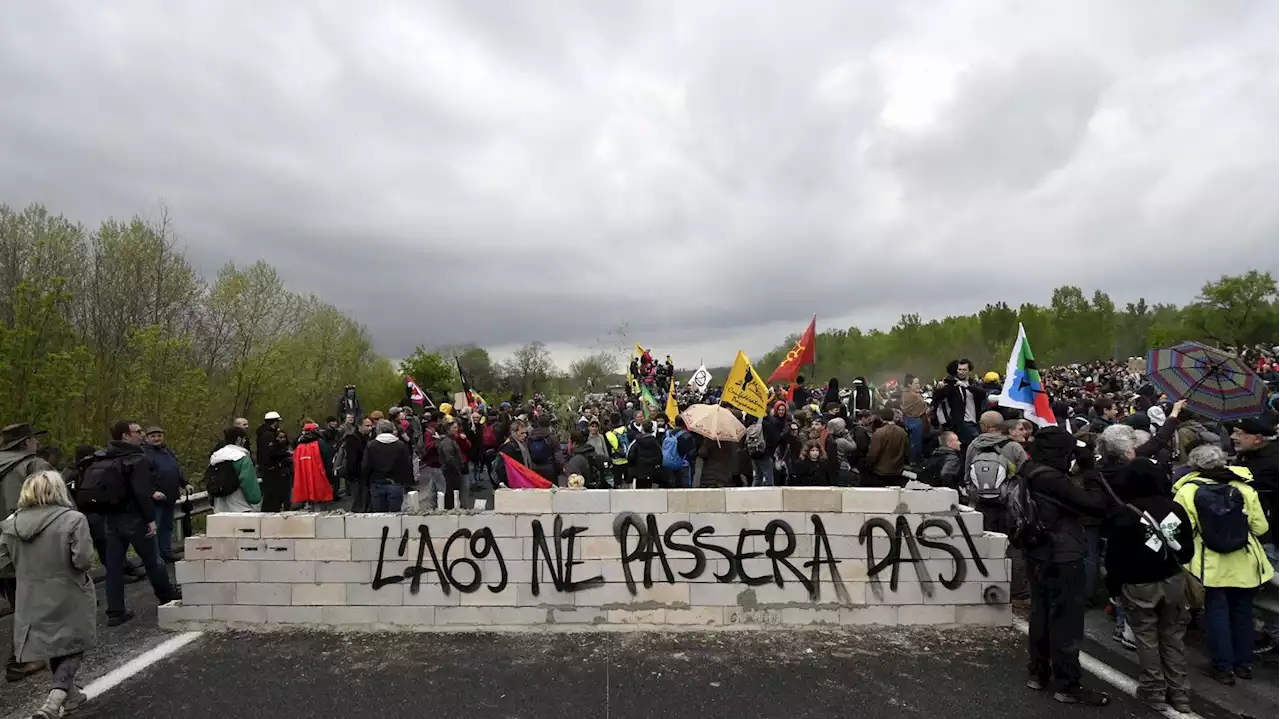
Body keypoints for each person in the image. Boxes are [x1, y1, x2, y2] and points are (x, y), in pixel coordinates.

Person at [1021, 426, 1111, 705]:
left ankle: (1038, 673)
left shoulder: (1029, 469)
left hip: (1036, 550)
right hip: (1062, 554)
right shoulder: (1053, 479)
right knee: (1066, 621)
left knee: (1041, 613)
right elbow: (1095, 505)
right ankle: (1068, 685)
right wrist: (1090, 469)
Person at [1172, 444, 1274, 684]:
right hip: (1246, 561)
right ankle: (1244, 664)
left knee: (1216, 614)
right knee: (1243, 613)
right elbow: (1261, 528)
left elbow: (1182, 529)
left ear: (1194, 465)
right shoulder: (1244, 487)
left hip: (1209, 564)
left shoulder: (1187, 491)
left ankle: (1223, 667)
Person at [1101, 453, 1194, 713]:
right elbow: (1186, 550)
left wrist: (1113, 589)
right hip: (1172, 579)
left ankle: (1154, 691)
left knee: (1147, 638)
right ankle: (1180, 693)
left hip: (1138, 582)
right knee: (1173, 636)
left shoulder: (1124, 513)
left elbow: (1114, 557)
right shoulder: (1174, 508)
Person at [0, 471, 95, 718]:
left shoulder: (11, 524)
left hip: (30, 593)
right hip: (68, 590)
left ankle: (72, 697)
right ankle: (54, 701)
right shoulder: (73, 519)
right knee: (74, 645)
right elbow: (83, 560)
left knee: (54, 645)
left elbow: (3, 563)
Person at [82, 420, 179, 627]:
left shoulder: (102, 456)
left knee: (114, 568)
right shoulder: (136, 458)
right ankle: (166, 596)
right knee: (153, 560)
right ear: (125, 436)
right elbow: (142, 492)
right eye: (137, 432)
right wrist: (150, 519)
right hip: (134, 518)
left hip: (110, 519)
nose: (141, 434)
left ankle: (115, 612)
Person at [0, 423, 55, 682]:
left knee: (18, 600)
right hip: (27, 544)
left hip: (2, 548)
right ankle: (22, 659)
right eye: (33, 438)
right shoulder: (34, 467)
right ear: (24, 443)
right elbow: (55, 507)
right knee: (33, 601)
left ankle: (26, 654)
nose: (36, 443)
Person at [142, 427, 186, 562]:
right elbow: (142, 477)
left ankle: (166, 552)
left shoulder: (168, 451)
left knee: (167, 526)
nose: (156, 438)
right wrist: (152, 491)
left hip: (170, 495)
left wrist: (185, 483)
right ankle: (154, 557)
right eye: (153, 436)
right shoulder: (144, 454)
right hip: (155, 499)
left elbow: (175, 469)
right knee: (155, 529)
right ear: (147, 438)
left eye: (159, 435)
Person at [933, 358, 987, 448]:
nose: (961, 372)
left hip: (976, 420)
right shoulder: (951, 383)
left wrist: (967, 387)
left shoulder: (974, 383)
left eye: (964, 370)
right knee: (977, 442)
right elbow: (937, 399)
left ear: (969, 371)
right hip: (961, 421)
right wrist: (939, 389)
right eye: (959, 370)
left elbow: (983, 394)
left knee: (969, 446)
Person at [362, 419, 413, 512]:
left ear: (378, 430)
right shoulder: (400, 445)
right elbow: (406, 465)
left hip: (376, 483)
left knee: (379, 515)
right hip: (395, 482)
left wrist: (365, 482)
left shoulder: (371, 445)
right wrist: (407, 482)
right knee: (394, 515)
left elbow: (366, 466)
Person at [209, 427, 261, 513]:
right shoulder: (242, 458)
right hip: (241, 507)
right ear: (239, 439)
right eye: (244, 439)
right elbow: (248, 482)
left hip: (219, 508)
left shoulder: (215, 458)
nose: (245, 441)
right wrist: (255, 499)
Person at [292, 422, 334, 509]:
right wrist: (331, 478)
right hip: (319, 478)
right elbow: (327, 461)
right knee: (320, 505)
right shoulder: (320, 444)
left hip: (303, 481)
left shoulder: (299, 446)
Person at [863, 408, 909, 487]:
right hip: (897, 471)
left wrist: (867, 466)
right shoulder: (902, 432)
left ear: (881, 418)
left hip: (881, 472)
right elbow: (907, 451)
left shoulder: (879, 433)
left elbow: (873, 453)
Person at [339, 417, 372, 512]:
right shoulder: (353, 439)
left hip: (362, 475)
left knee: (362, 501)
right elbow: (351, 460)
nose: (370, 428)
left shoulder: (364, 438)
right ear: (359, 426)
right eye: (367, 426)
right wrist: (354, 475)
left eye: (371, 425)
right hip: (357, 476)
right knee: (358, 502)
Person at [258, 428, 293, 513]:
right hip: (276, 476)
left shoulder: (287, 448)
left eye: (284, 437)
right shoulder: (274, 449)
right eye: (280, 437)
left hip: (287, 475)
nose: (282, 439)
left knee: (287, 495)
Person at [438, 419, 468, 510]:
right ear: (448, 429)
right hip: (450, 470)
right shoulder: (447, 442)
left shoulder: (450, 440)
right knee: (451, 491)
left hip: (451, 469)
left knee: (453, 490)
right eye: (454, 428)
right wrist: (457, 467)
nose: (456, 429)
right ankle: (450, 509)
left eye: (457, 427)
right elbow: (449, 458)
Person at [627, 421, 665, 488]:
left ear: (642, 429)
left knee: (640, 494)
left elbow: (630, 456)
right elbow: (660, 456)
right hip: (652, 473)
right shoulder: (656, 442)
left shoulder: (636, 442)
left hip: (639, 472)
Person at [901, 375, 928, 462]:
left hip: (907, 419)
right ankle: (915, 460)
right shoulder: (914, 396)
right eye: (916, 383)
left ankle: (911, 459)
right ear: (909, 384)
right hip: (915, 421)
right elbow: (923, 405)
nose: (918, 385)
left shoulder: (905, 393)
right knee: (916, 443)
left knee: (911, 441)